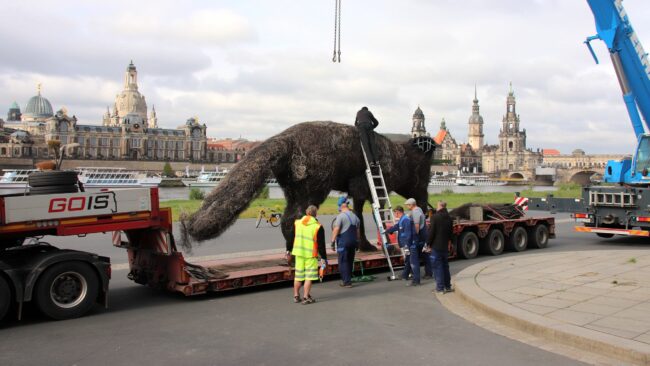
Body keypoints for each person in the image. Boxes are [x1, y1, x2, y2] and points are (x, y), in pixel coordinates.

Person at [286, 205, 328, 304]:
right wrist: (324, 258)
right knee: (308, 277)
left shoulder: (297, 223)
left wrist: (288, 250)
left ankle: (296, 296)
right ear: (315, 214)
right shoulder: (318, 226)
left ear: (306, 212)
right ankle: (306, 297)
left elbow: (290, 238)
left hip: (298, 254)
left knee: (298, 276)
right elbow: (321, 245)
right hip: (310, 255)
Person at [385, 206, 419, 286]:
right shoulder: (402, 219)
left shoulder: (406, 220)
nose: (394, 214)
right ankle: (405, 275)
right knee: (408, 260)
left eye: (395, 213)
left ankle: (415, 279)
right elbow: (397, 227)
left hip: (409, 244)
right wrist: (388, 231)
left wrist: (407, 246)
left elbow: (408, 234)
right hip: (406, 244)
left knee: (411, 261)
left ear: (398, 212)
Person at [331, 201, 360, 288]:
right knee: (350, 261)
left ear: (340, 207)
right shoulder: (355, 217)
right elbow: (358, 232)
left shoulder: (340, 216)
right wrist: (358, 242)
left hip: (344, 242)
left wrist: (332, 241)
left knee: (343, 261)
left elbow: (336, 229)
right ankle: (349, 279)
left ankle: (346, 282)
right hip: (353, 241)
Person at [427, 201, 454, 294]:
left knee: (437, 267)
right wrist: (450, 243)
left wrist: (428, 244)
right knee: (445, 266)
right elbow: (451, 233)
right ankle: (448, 286)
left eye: (437, 205)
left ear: (439, 206)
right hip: (445, 246)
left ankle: (440, 288)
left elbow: (431, 232)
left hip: (436, 246)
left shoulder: (435, 217)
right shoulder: (449, 218)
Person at [405, 198, 432, 279]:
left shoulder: (415, 212)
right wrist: (409, 215)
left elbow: (416, 226)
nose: (407, 206)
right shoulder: (418, 209)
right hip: (425, 236)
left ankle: (427, 274)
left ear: (411, 205)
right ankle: (428, 273)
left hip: (421, 237)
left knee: (424, 255)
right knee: (425, 255)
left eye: (407, 205)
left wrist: (415, 236)